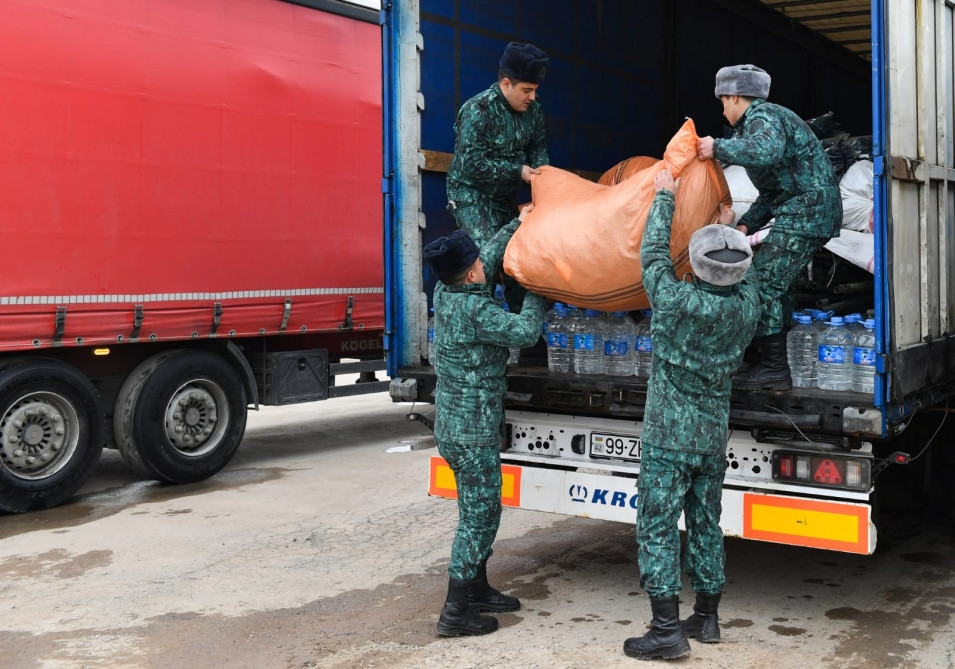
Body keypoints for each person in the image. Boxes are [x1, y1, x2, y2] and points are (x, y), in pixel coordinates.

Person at [623, 168, 760, 661]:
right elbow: (748, 274)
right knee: (706, 522)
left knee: (657, 525)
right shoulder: (747, 308)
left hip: (667, 436)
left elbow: (653, 255)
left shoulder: (675, 300)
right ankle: (706, 617)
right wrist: (734, 231)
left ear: (697, 268)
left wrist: (665, 198)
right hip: (709, 439)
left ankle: (665, 630)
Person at [423, 205, 547, 637]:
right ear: (472, 277)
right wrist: (539, 290)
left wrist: (518, 220)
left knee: (473, 508)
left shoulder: (446, 293)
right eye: (477, 264)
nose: (483, 264)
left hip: (454, 427)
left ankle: (476, 587)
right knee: (480, 516)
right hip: (472, 432)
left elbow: (489, 256)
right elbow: (527, 332)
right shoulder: (477, 313)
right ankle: (455, 612)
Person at [697, 64, 842, 391]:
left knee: (760, 285)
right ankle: (764, 359)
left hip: (807, 211)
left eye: (722, 101)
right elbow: (775, 191)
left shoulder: (764, 118)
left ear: (733, 96)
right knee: (779, 288)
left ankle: (774, 369)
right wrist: (747, 224)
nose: (722, 108)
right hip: (803, 210)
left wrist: (715, 148)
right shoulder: (757, 126)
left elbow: (767, 150)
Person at [446, 41, 549, 312]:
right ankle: (481, 342)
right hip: (471, 196)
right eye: (526, 90)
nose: (532, 97)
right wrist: (518, 172)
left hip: (503, 197)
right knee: (486, 261)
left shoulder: (534, 111)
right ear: (505, 84)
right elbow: (470, 164)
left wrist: (544, 179)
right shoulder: (477, 110)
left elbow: (537, 148)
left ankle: (526, 340)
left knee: (518, 261)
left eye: (535, 91)